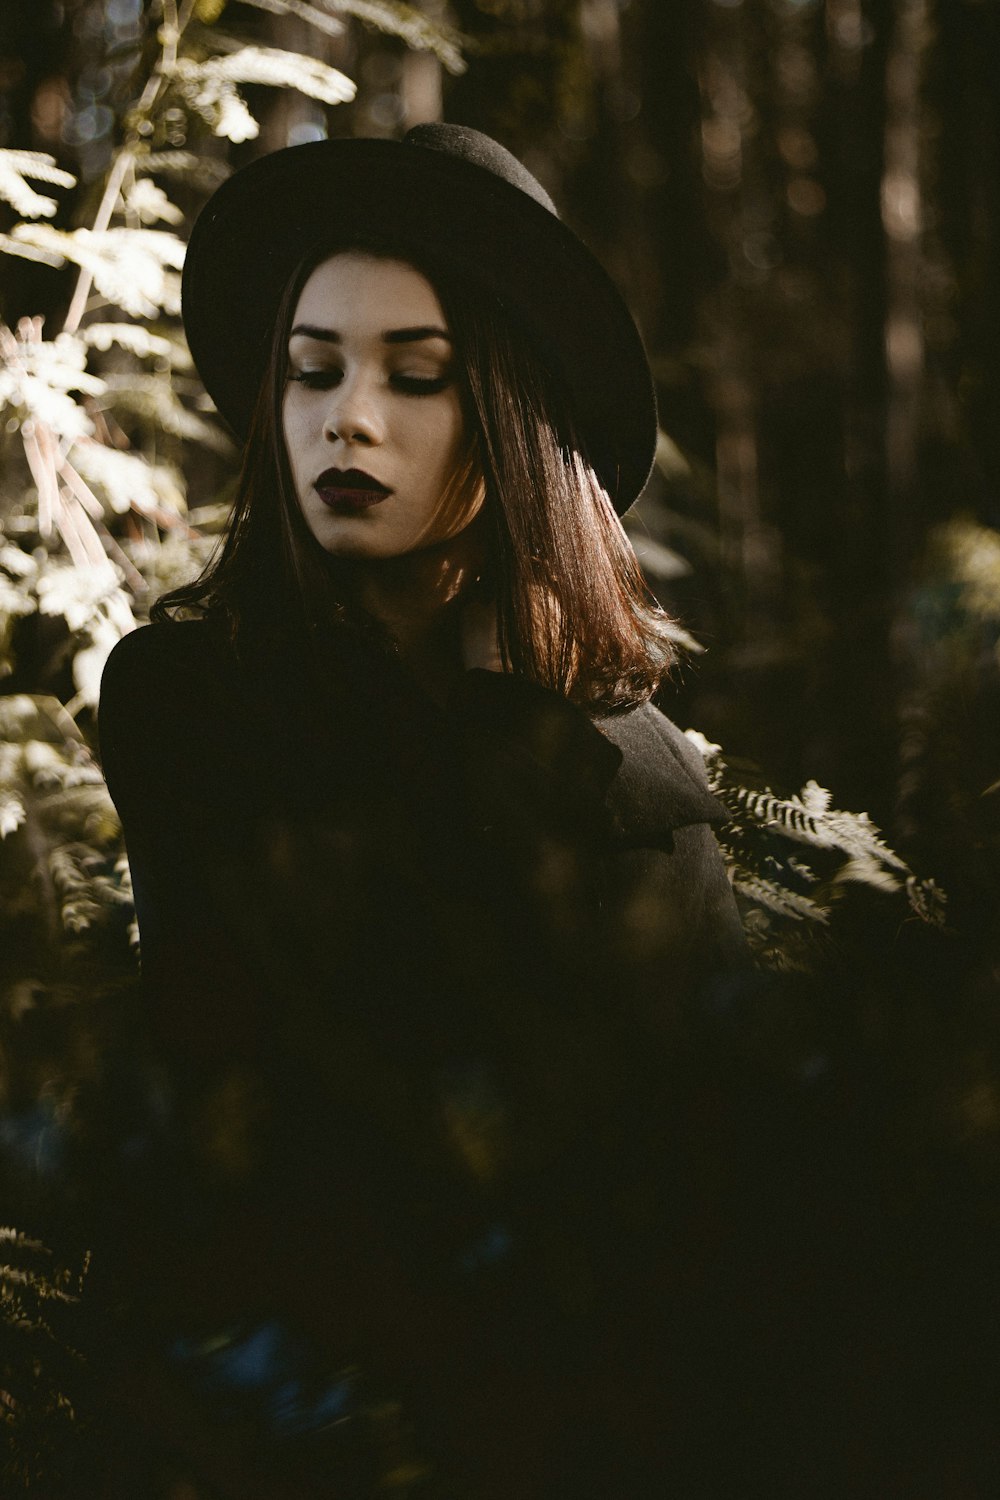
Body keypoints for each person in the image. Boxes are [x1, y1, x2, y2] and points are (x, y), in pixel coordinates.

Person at [98, 125, 749, 1499]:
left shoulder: (637, 784)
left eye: (418, 376)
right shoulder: (189, 708)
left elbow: (699, 1225)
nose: (348, 419)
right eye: (310, 368)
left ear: (509, 408)